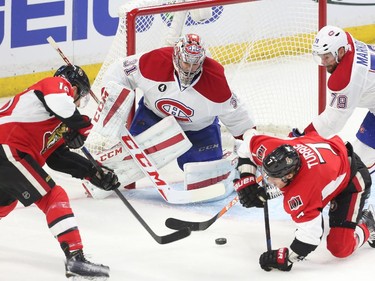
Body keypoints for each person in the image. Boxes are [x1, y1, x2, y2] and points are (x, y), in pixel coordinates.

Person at [0, 65, 120, 278]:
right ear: (73, 89)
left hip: (9, 154)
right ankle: (75, 259)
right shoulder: (54, 85)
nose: (78, 102)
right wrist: (81, 126)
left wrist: (93, 172)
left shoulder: (49, 117)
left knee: (5, 203)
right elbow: (62, 104)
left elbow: (58, 158)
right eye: (79, 97)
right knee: (53, 196)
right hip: (7, 149)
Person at [97, 33, 254, 170]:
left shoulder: (215, 82)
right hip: (154, 117)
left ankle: (228, 162)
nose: (189, 69)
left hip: (199, 129)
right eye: (186, 63)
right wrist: (112, 100)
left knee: (202, 173)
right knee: (128, 161)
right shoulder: (154, 61)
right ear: (177, 56)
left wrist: (248, 146)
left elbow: (239, 118)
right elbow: (120, 70)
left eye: (195, 64)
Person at [233, 129, 375, 272]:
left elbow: (310, 238)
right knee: (309, 191)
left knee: (340, 247)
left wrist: (285, 258)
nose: (267, 180)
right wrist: (247, 179)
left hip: (351, 179)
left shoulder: (303, 192)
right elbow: (247, 142)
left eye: (273, 178)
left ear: (288, 176)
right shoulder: (271, 148)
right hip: (330, 162)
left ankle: (369, 223)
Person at [290, 25, 375, 174]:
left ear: (340, 51)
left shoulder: (348, 77)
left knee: (359, 164)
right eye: (320, 56)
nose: (323, 62)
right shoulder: (347, 41)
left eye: (327, 57)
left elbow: (332, 122)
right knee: (356, 160)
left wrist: (303, 137)